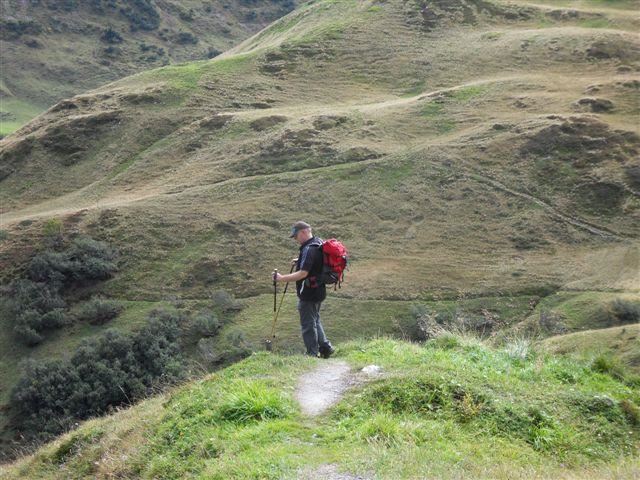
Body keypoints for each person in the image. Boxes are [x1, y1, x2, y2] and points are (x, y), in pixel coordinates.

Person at [273, 221, 335, 358]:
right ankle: (325, 347)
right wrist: (300, 260)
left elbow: (303, 273)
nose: (295, 239)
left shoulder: (308, 249)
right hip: (319, 289)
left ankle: (312, 354)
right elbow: (315, 262)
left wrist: (281, 278)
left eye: (296, 236)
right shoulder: (318, 243)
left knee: (308, 324)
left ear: (304, 232)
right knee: (315, 319)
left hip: (309, 292)